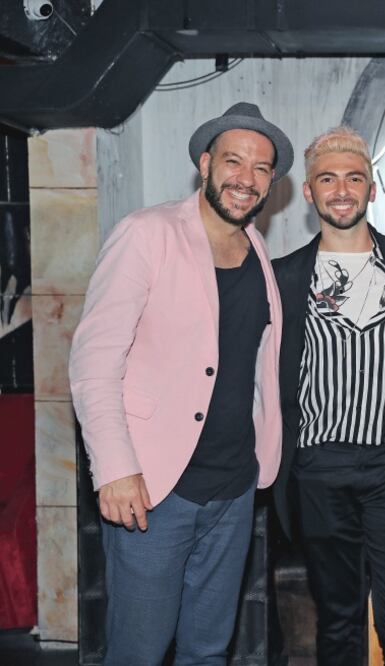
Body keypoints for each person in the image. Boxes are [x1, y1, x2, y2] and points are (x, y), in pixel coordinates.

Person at [69, 102, 291, 665]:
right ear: (205, 162)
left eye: (261, 168)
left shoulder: (258, 250)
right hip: (154, 488)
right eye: (233, 161)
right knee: (140, 652)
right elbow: (94, 359)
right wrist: (115, 468)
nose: (246, 178)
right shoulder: (147, 234)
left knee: (209, 650)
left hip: (235, 488)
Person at [271, 126, 385, 665]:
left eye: (354, 177)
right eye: (327, 179)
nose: (342, 189)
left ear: (373, 188)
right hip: (321, 467)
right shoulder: (284, 277)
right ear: (310, 193)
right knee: (339, 625)